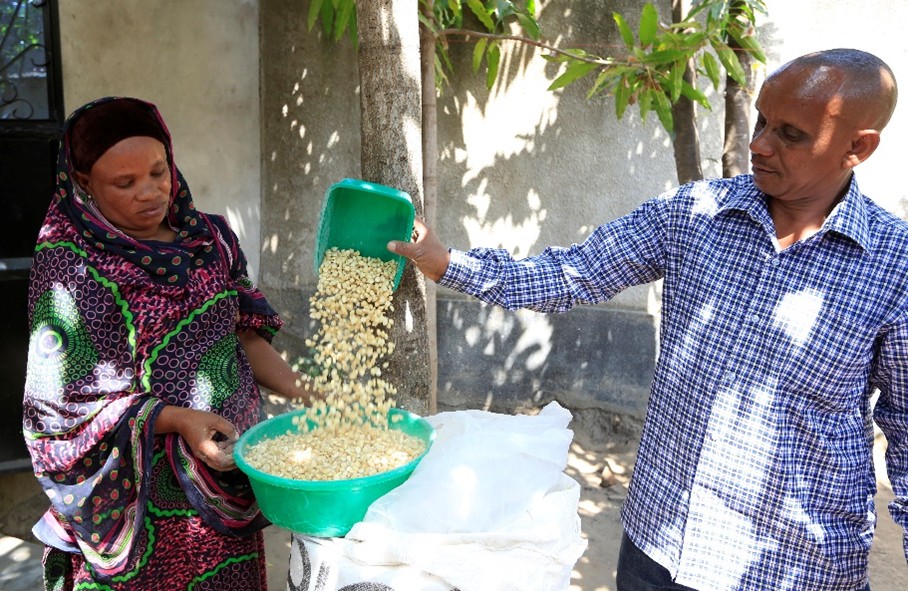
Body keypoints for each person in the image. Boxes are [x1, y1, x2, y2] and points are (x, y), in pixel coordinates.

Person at [388, 48, 908, 590]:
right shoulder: (696, 215)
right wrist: (445, 263)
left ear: (858, 147)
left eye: (790, 134)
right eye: (759, 120)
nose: (759, 144)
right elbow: (573, 273)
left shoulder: (896, 266)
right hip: (661, 545)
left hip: (791, 567)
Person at [22, 96, 317, 590]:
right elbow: (58, 405)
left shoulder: (212, 239)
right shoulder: (72, 268)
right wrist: (178, 419)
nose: (150, 192)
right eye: (125, 182)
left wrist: (314, 393)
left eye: (159, 172)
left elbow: (241, 335)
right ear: (84, 184)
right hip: (134, 504)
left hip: (224, 481)